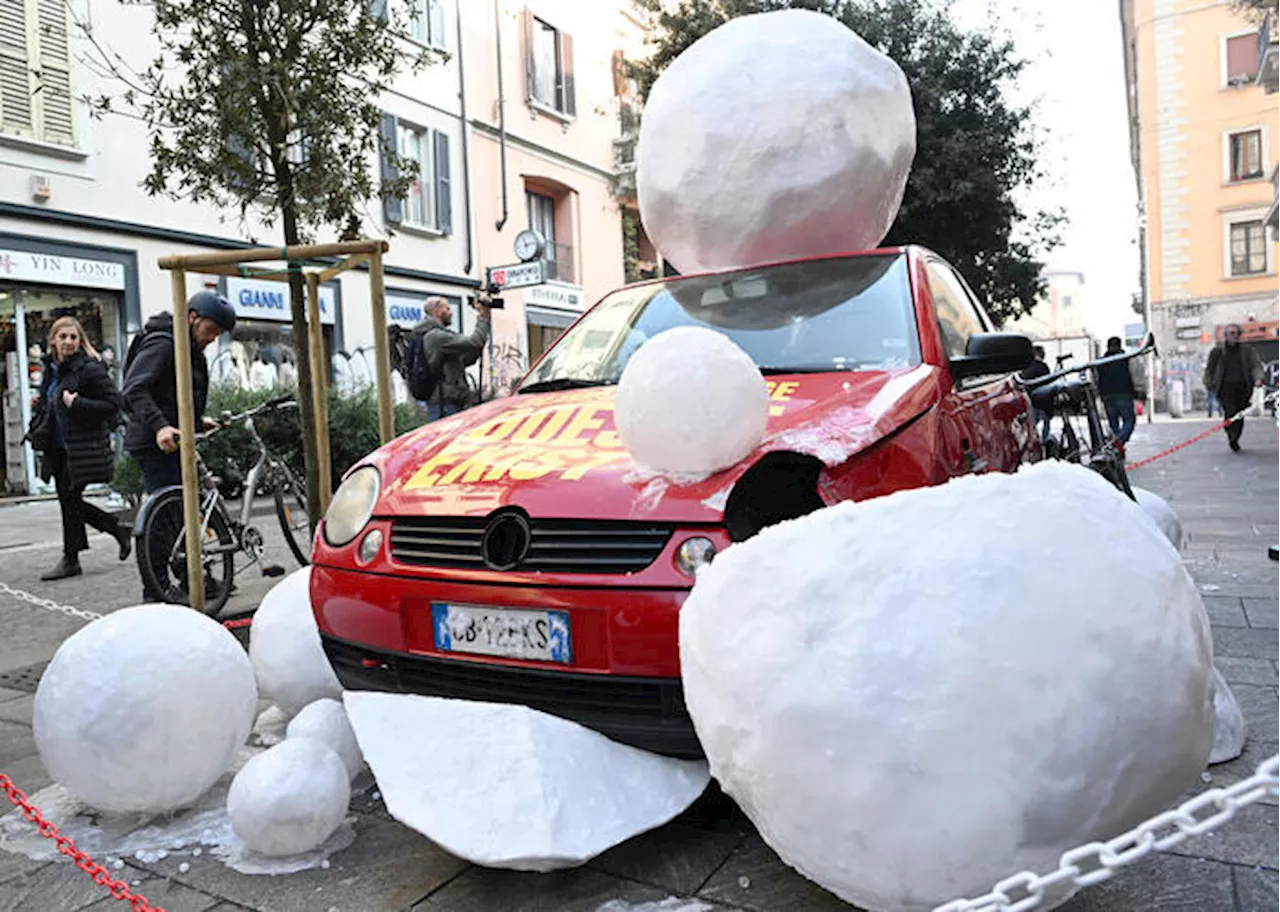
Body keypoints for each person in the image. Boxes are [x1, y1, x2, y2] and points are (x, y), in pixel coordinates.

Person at [28, 317, 131, 581]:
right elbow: (53, 405)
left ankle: (72, 558)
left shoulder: (89, 369)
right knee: (69, 501)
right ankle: (115, 530)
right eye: (63, 337)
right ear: (53, 340)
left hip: (82, 448)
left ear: (80, 341)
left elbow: (113, 404)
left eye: (73, 337)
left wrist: (79, 404)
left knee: (70, 501)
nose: (68, 342)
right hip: (58, 447)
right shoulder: (53, 369)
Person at [410, 294, 491, 420]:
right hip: (446, 405)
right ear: (437, 312)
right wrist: (483, 318)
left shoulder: (428, 335)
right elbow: (474, 342)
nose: (451, 313)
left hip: (442, 403)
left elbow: (464, 360)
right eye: (447, 309)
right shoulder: (437, 336)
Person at [1203, 323, 1263, 452]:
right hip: (1225, 388)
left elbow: (1255, 365)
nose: (1234, 336)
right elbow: (1209, 369)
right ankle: (1232, 437)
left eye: (1236, 333)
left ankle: (1235, 435)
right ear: (1225, 336)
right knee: (1230, 412)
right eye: (1231, 333)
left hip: (1243, 387)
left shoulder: (1247, 351)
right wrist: (1209, 384)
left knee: (1240, 414)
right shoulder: (1217, 351)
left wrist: (1258, 378)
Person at [1094, 336, 1146, 453]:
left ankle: (1116, 448)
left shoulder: (1101, 362)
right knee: (1129, 420)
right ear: (1120, 345)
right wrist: (1140, 389)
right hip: (1124, 394)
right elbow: (1136, 374)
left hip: (1107, 396)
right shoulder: (1127, 358)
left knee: (1113, 424)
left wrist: (1099, 393)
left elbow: (1096, 379)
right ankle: (1118, 443)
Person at [1020, 345, 1051, 443]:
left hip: (1030, 399)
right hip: (1043, 399)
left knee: (1033, 421)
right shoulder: (1043, 367)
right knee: (1046, 421)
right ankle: (1044, 440)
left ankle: (1033, 440)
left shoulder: (1025, 367)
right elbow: (1049, 382)